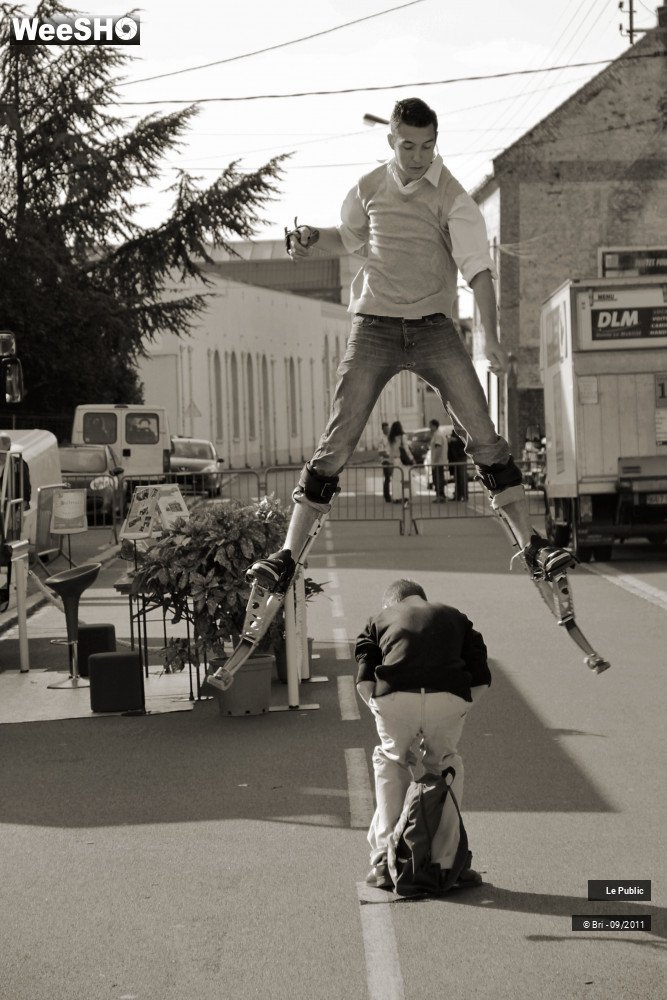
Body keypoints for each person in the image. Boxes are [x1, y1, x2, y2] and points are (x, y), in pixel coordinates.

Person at [248, 96, 572, 592]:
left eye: (427, 146)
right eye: (407, 146)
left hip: (433, 329)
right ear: (391, 141)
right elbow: (349, 239)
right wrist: (312, 238)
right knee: (338, 439)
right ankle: (287, 555)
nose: (418, 157)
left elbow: (480, 273)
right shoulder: (369, 187)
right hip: (374, 327)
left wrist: (492, 337)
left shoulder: (454, 198)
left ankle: (533, 544)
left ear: (435, 142)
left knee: (483, 435)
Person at [355, 578, 491, 890]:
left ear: (393, 604)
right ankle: (450, 860)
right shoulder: (456, 617)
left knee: (390, 760)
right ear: (423, 600)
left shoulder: (379, 619)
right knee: (445, 765)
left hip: (394, 694)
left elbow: (364, 681)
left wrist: (383, 711)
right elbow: (482, 677)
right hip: (449, 694)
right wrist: (458, 708)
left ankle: (382, 861)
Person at [448, 429, 468, 502]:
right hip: (454, 458)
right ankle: (457, 495)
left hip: (460, 457)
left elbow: (465, 442)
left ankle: (464, 496)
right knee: (457, 478)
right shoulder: (454, 431)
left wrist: (454, 440)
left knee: (462, 478)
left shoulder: (463, 430)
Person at [429, 418, 446, 502]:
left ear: (434, 426)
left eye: (430, 426)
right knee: (439, 478)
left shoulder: (438, 435)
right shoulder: (439, 434)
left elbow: (438, 448)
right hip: (439, 461)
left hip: (438, 461)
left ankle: (440, 496)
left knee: (438, 479)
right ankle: (441, 495)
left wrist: (435, 461)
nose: (429, 428)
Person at [378, 421, 393, 503]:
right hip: (386, 461)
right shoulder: (381, 438)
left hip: (392, 460)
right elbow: (381, 452)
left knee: (391, 478)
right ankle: (387, 496)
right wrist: (389, 455)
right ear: (382, 429)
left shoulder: (391, 437)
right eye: (385, 429)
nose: (387, 430)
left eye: (388, 428)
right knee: (387, 478)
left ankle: (391, 494)